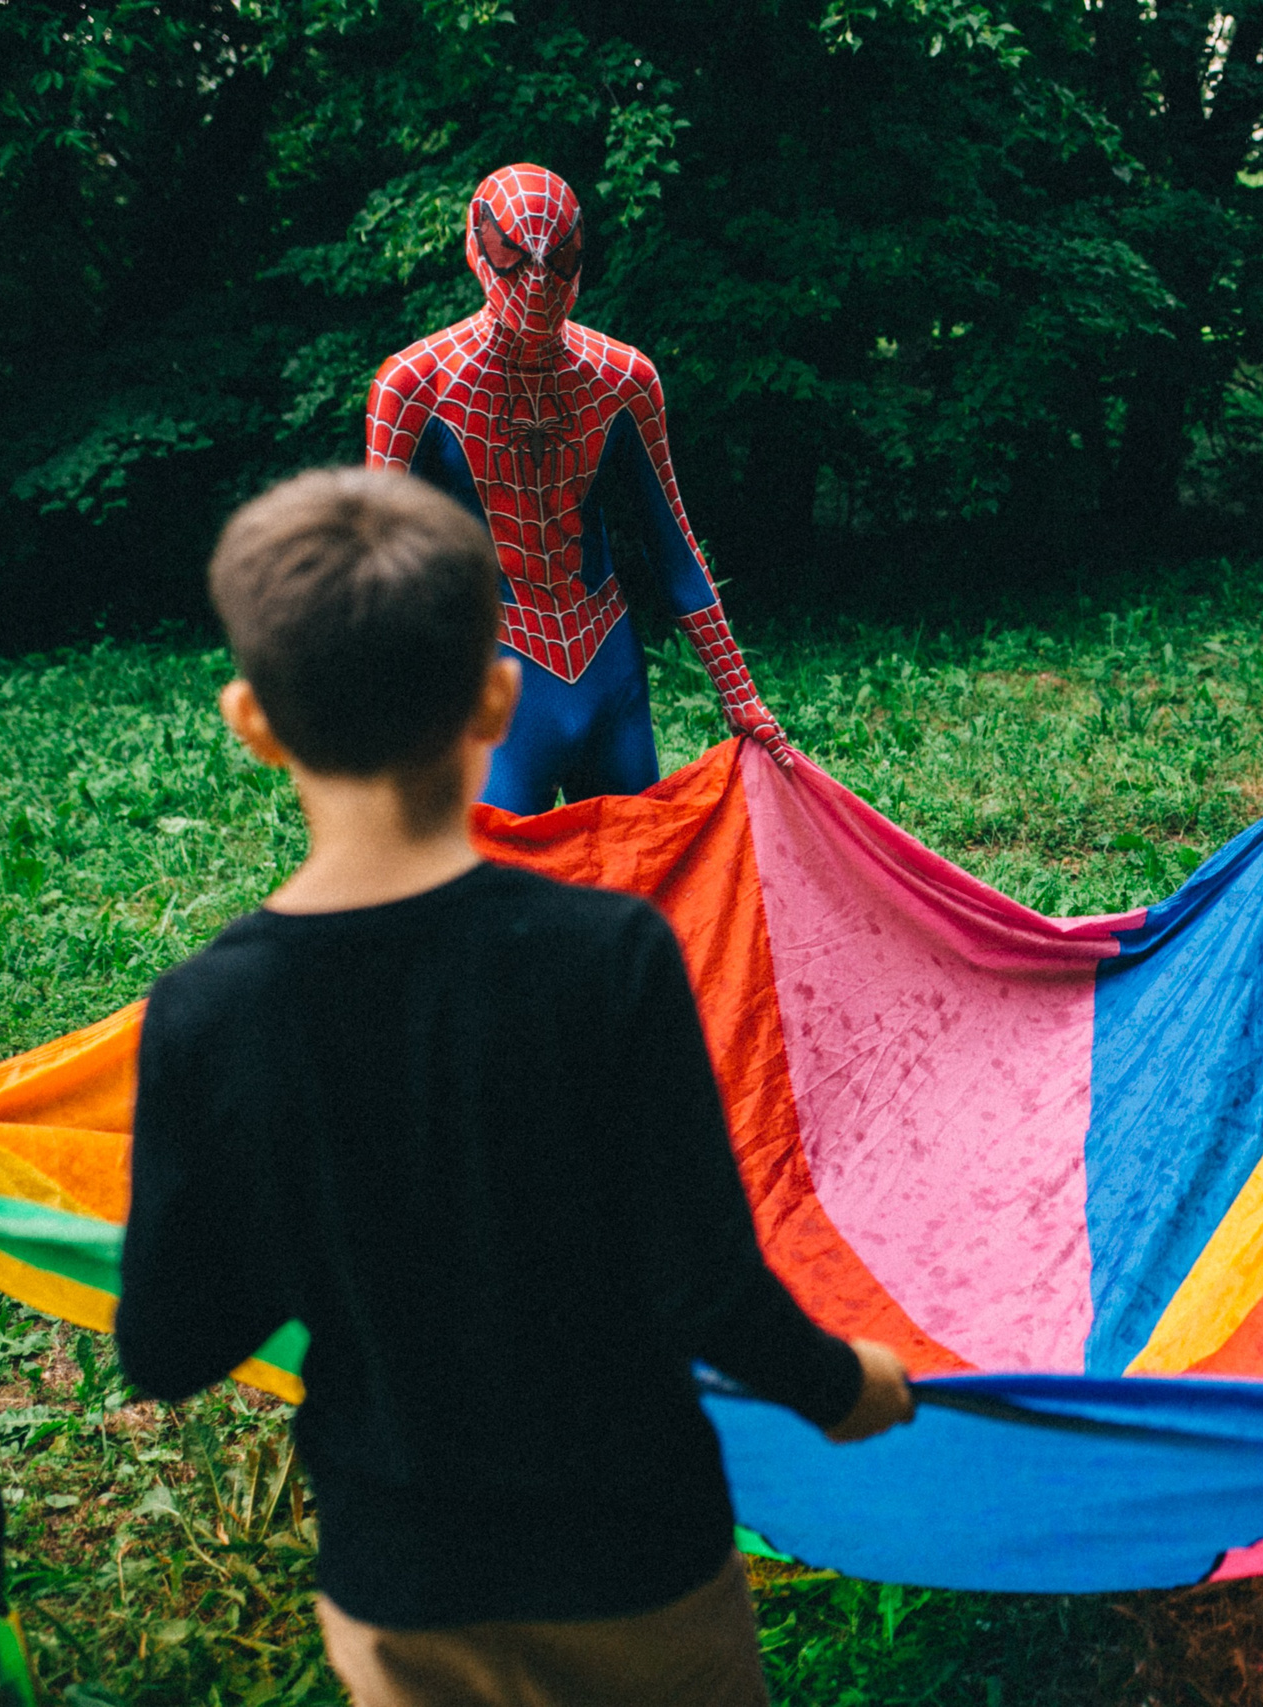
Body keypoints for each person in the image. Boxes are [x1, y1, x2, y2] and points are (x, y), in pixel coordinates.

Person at [116, 468, 914, 1707]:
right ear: (498, 696)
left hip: (404, 1580)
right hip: (638, 1555)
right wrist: (844, 1388)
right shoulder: (610, 956)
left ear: (251, 721)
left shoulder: (208, 1012)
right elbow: (704, 1282)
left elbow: (168, 1347)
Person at [367, 163, 794, 816]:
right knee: (504, 872)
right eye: (513, 257)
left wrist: (742, 696)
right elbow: (375, 569)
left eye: (558, 259)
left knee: (638, 861)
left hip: (604, 657)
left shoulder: (624, 379)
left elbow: (672, 543)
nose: (538, 281)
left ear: (580, 263)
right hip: (494, 665)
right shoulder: (415, 386)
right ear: (478, 251)